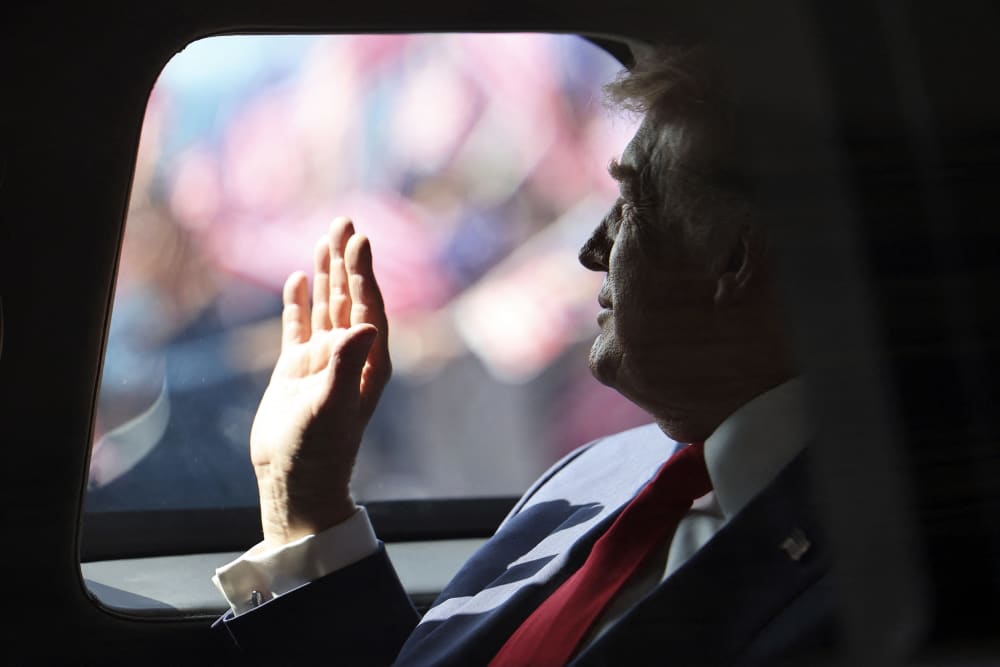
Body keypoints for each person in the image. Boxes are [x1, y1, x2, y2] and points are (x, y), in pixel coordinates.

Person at [211, 44, 836, 665]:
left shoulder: (870, 568)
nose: (592, 249)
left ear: (734, 258)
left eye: (635, 206)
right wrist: (303, 503)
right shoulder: (594, 475)